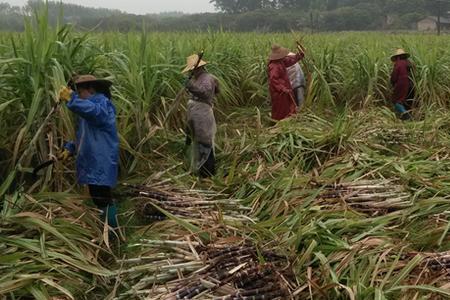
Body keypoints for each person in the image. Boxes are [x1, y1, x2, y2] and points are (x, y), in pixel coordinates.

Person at [58, 75, 119, 228]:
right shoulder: (88, 111)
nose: (78, 96)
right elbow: (84, 135)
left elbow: (96, 113)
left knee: (102, 197)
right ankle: (107, 226)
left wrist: (72, 99)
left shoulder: (102, 104)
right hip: (93, 160)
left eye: (79, 92)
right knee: (98, 196)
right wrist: (70, 148)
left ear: (91, 89)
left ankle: (113, 231)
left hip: (101, 159)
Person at [183, 54, 219, 178]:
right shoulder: (199, 78)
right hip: (197, 113)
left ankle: (207, 172)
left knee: (204, 140)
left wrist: (191, 87)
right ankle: (200, 168)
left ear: (197, 68)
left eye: (192, 70)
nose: (192, 72)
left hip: (202, 113)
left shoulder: (206, 78)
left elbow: (205, 93)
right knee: (197, 139)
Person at [268, 44, 305, 121]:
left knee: (288, 106)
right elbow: (273, 80)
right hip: (279, 92)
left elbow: (291, 60)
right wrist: (283, 89)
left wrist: (300, 55)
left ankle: (286, 120)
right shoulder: (274, 66)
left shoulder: (281, 61)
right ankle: (278, 122)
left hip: (285, 89)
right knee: (281, 107)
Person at [390, 48, 415, 120]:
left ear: (398, 57)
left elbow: (394, 77)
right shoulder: (409, 63)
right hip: (411, 84)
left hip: (402, 84)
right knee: (407, 100)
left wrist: (392, 83)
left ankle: (407, 116)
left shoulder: (398, 64)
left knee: (396, 101)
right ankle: (408, 116)